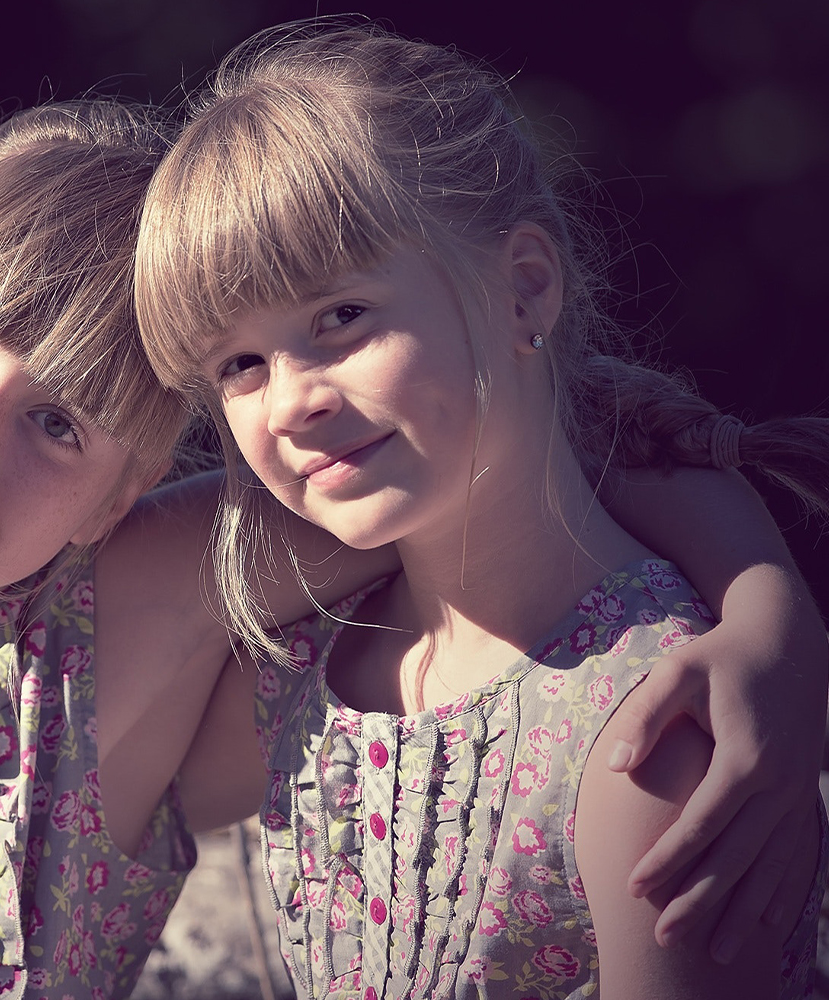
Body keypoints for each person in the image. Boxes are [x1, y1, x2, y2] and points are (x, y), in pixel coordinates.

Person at [0, 91, 818, 1000]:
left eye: (59, 420)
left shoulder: (139, 600)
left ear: (125, 491)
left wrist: (774, 620)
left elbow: (527, 438)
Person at [130, 19, 829, 999]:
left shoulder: (652, 730)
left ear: (524, 288)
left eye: (341, 317)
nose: (293, 399)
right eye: (239, 364)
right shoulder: (300, 679)